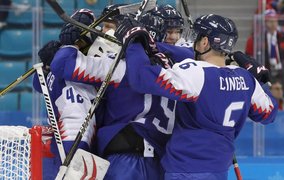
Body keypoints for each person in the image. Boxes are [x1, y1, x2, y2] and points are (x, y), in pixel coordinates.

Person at [115, 14, 278, 180]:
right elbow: (269, 114)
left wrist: (134, 43)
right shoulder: (246, 79)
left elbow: (140, 77)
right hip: (219, 170)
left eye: (197, 37)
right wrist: (262, 81)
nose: (193, 43)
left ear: (205, 42)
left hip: (186, 169)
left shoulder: (196, 72)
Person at [52, 4, 194, 180]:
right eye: (170, 31)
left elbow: (62, 65)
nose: (174, 37)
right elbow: (192, 52)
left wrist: (67, 44)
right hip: (161, 162)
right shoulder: (184, 67)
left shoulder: (120, 64)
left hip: (127, 160)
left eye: (176, 31)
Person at [32, 9, 100, 179]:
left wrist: (69, 50)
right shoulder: (61, 55)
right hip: (58, 129)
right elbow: (40, 85)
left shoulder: (93, 57)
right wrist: (46, 66)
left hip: (77, 127)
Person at [245, 9, 284, 91]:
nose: (273, 24)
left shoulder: (282, 38)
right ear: (264, 23)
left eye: (275, 21)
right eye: (270, 21)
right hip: (265, 73)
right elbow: (248, 58)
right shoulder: (255, 39)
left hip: (280, 74)